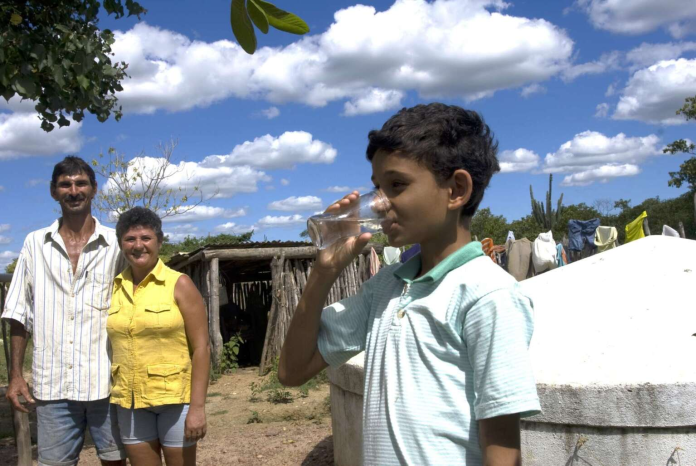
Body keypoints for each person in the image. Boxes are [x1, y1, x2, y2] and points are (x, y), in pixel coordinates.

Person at [279, 103, 540, 465]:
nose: (380, 204)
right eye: (377, 188)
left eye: (396, 185)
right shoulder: (386, 287)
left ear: (456, 190)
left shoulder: (488, 294)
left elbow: (502, 444)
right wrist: (323, 274)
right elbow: (292, 372)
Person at [2, 156, 128, 466]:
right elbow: (19, 313)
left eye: (81, 183)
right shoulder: (35, 244)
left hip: (107, 383)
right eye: (65, 184)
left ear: (94, 189)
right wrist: (16, 376)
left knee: (115, 460)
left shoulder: (116, 244)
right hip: (53, 386)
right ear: (53, 192)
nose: (74, 190)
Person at [108, 207, 210, 466]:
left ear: (159, 242)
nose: (138, 245)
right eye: (130, 239)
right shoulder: (115, 288)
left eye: (146, 238)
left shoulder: (179, 284)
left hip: (175, 401)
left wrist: (197, 408)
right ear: (121, 244)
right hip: (130, 402)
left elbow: (201, 348)